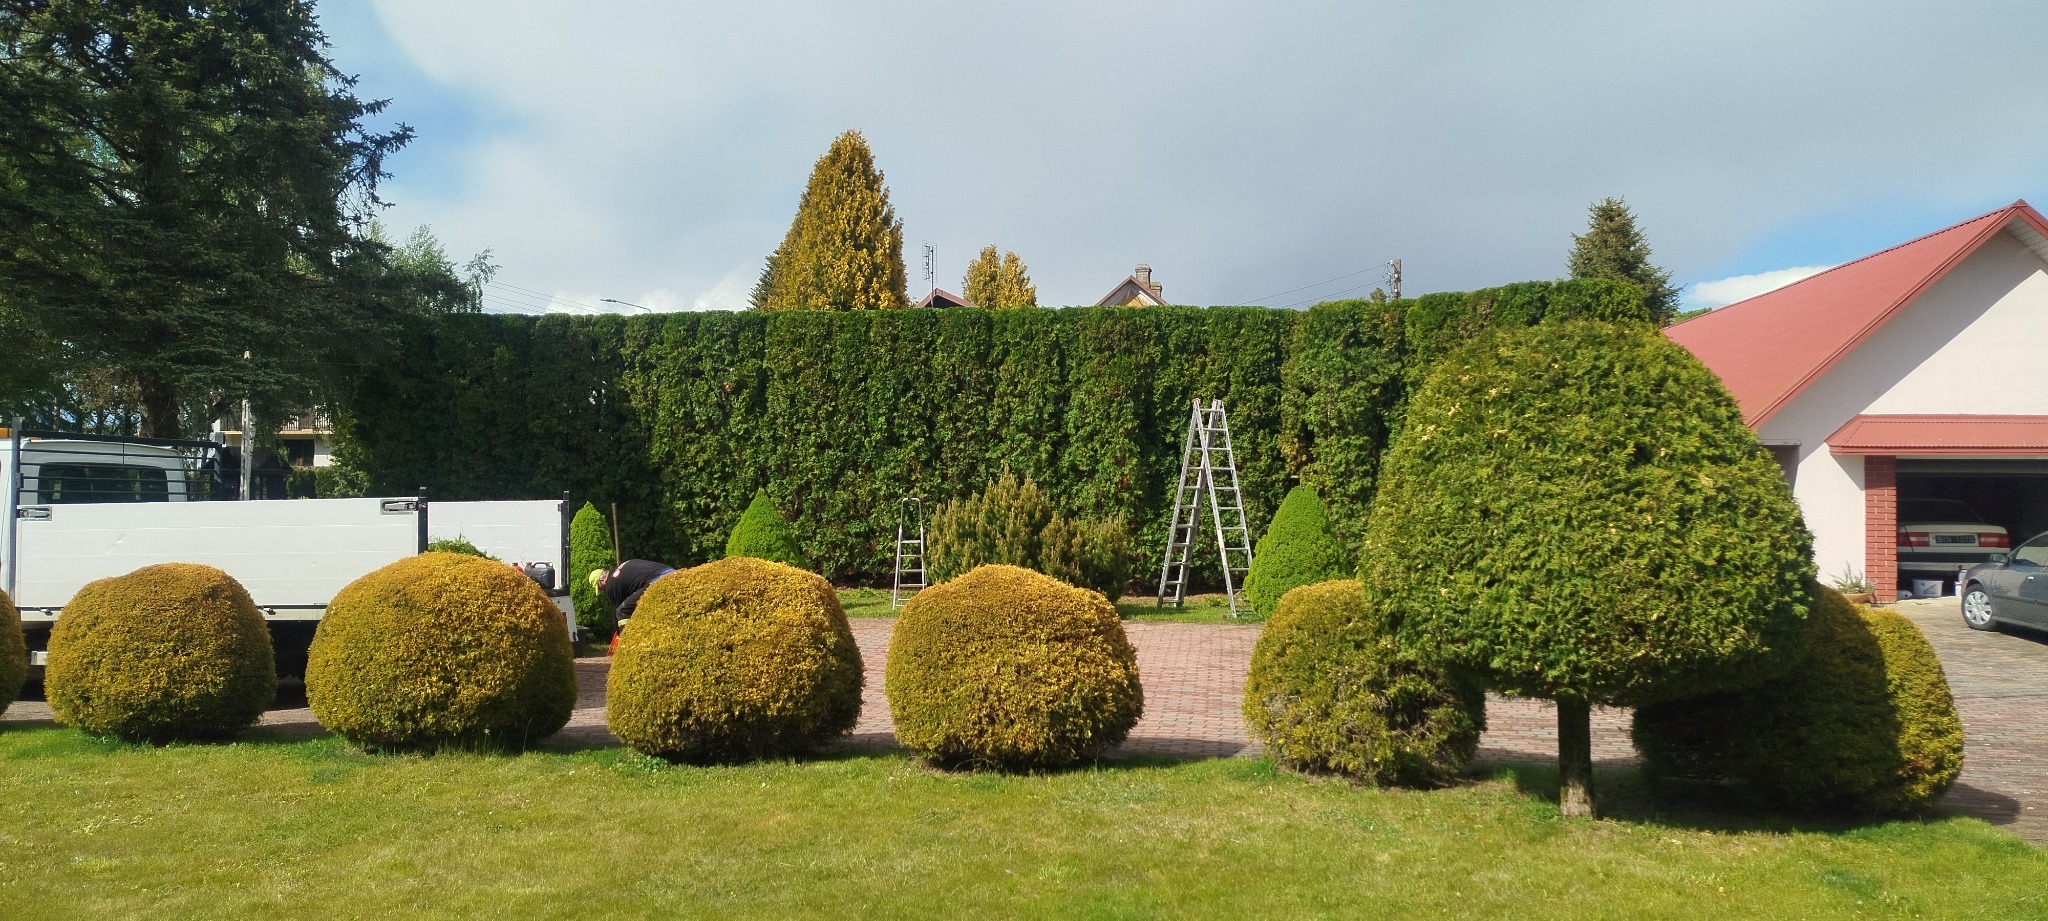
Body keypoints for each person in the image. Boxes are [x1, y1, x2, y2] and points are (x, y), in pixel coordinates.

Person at [588, 559, 674, 624]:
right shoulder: (620, 571)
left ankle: (626, 643)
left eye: (600, 588)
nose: (603, 591)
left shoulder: (611, 584)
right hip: (671, 573)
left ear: (602, 580)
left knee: (622, 611)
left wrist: (618, 634)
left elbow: (616, 612)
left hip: (657, 580)